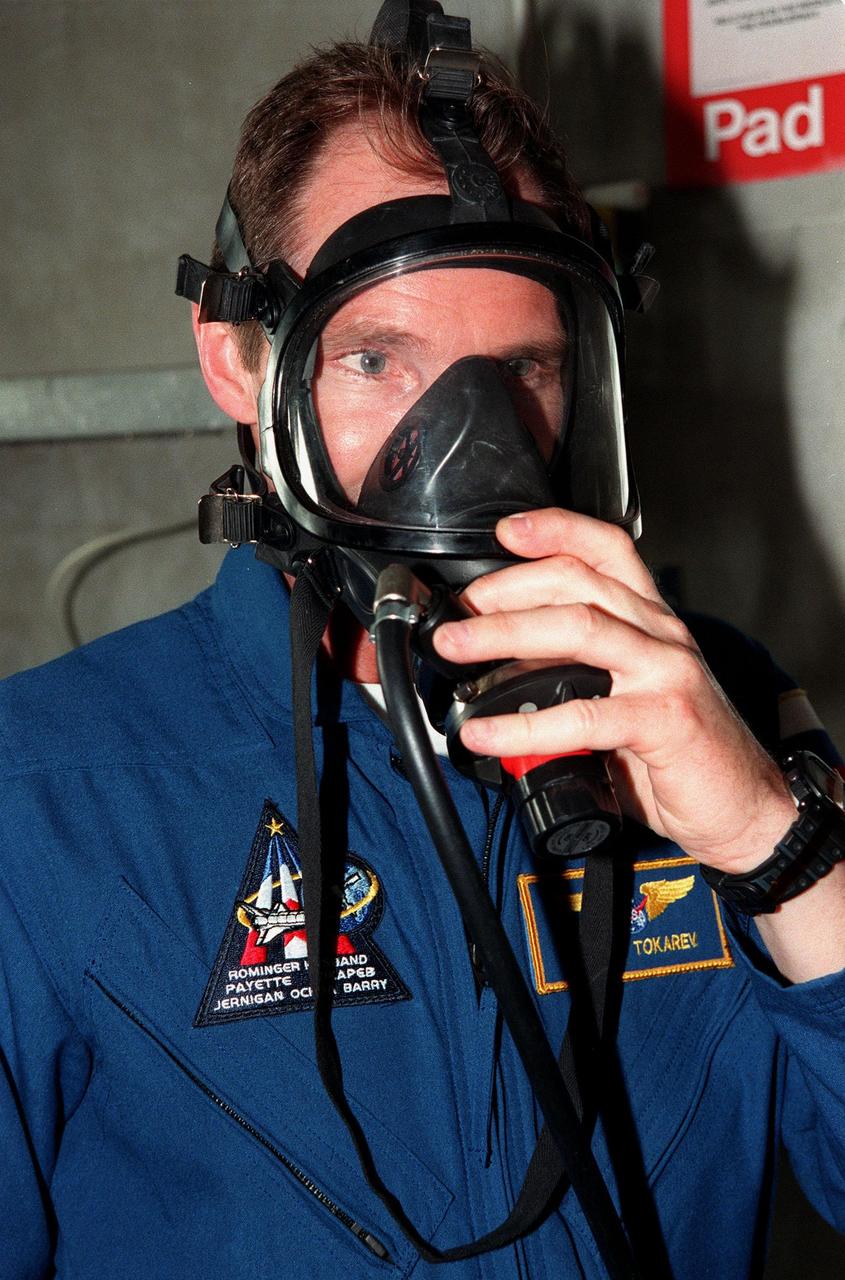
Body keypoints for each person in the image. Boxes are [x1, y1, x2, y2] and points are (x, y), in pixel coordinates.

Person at [2, 5, 844, 1277]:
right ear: (238, 357)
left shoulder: (716, 715)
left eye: (524, 367)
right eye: (382, 359)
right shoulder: (45, 792)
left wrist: (775, 847)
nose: (471, 445)